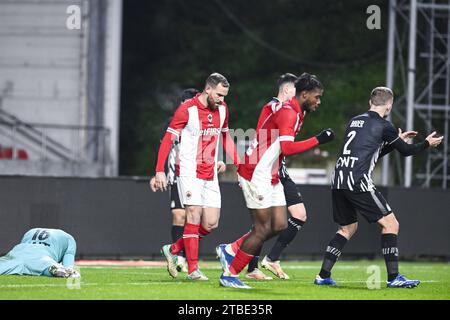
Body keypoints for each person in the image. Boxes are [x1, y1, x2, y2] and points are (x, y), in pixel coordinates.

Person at [314, 86, 443, 288]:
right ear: (389, 105)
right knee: (391, 224)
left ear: (370, 103)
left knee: (347, 228)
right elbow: (408, 152)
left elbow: (370, 151)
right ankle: (394, 278)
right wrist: (426, 143)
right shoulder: (385, 125)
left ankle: (323, 276)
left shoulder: (355, 121)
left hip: (339, 178)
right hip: (357, 180)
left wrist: (395, 141)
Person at [219, 73, 335, 289]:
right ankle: (230, 273)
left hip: (271, 174)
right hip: (256, 172)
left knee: (280, 224)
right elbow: (288, 148)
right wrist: (318, 139)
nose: (318, 101)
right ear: (304, 94)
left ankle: (231, 250)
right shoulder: (289, 113)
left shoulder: (297, 112)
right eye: (316, 97)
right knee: (261, 229)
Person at [153, 73, 239, 281]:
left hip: (210, 173)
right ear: (207, 89)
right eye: (219, 94)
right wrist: (159, 170)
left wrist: (239, 164)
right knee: (193, 214)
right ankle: (193, 269)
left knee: (210, 223)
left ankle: (173, 249)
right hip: (189, 171)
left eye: (225, 95)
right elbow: (167, 139)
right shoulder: (186, 109)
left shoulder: (222, 109)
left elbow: (226, 137)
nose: (222, 99)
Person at [149, 88, 200, 273]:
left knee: (196, 218)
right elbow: (163, 147)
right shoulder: (171, 124)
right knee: (179, 215)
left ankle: (183, 254)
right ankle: (178, 257)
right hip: (176, 174)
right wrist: (157, 172)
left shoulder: (200, 121)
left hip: (196, 174)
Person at [0, 228, 79, 278]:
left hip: (19, 251)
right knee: (45, 267)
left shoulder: (30, 231)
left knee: (7, 264)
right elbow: (69, 267)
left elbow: (25, 253)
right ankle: (52, 268)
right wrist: (69, 270)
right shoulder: (69, 239)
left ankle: (53, 268)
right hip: (42, 256)